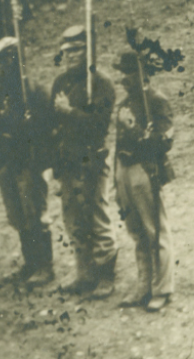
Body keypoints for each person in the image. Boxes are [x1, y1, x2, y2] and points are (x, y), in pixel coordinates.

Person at [50, 25, 121, 299]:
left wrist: (70, 112)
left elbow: (98, 125)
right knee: (73, 217)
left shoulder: (102, 84)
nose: (70, 56)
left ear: (88, 51)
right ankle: (84, 272)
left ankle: (105, 275)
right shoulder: (61, 83)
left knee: (96, 215)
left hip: (92, 158)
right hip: (68, 160)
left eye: (76, 50)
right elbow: (52, 122)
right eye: (65, 51)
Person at [0, 35, 58, 287]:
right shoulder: (2, 94)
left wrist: (32, 127)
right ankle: (30, 262)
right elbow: (0, 125)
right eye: (0, 61)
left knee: (35, 214)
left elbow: (48, 129)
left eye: (9, 60)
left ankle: (45, 266)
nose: (4, 66)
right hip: (10, 162)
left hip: (30, 163)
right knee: (17, 215)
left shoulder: (34, 93)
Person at [114, 50, 177, 312]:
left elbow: (163, 142)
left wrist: (135, 129)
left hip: (145, 170)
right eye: (122, 74)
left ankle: (162, 288)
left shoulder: (157, 102)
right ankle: (144, 285)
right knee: (137, 231)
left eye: (127, 73)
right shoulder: (125, 103)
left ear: (141, 74)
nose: (123, 79)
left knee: (155, 231)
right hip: (125, 170)